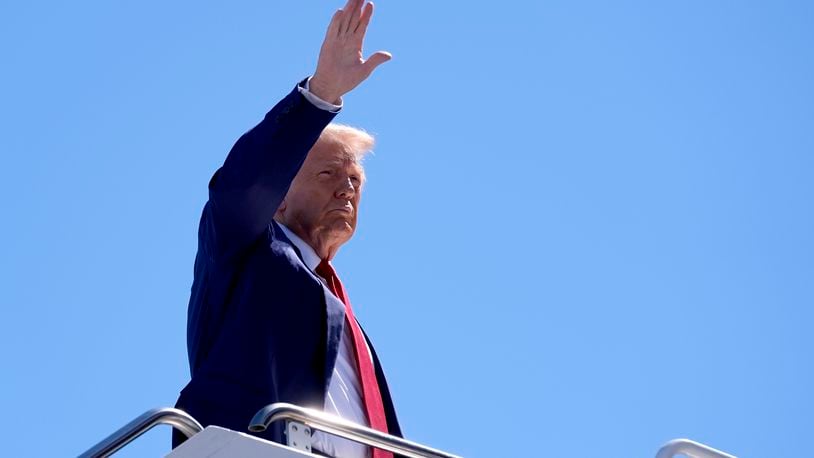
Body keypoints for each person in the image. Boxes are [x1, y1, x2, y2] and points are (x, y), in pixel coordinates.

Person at [173, 1, 399, 457]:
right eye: (327, 175)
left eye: (354, 180)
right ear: (279, 194)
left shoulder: (341, 309)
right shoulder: (247, 250)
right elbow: (243, 188)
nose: (347, 190)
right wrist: (320, 95)